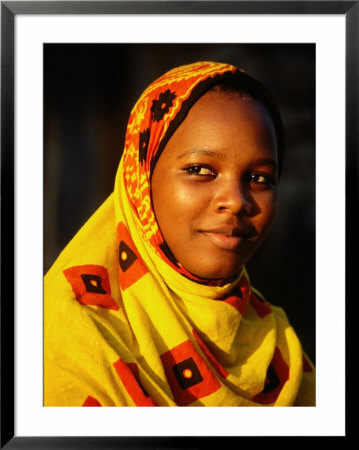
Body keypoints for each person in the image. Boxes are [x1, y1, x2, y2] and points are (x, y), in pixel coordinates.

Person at [44, 61, 315, 406]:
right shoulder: (68, 332)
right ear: (140, 179)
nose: (236, 201)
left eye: (260, 178)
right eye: (200, 170)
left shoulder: (277, 345)